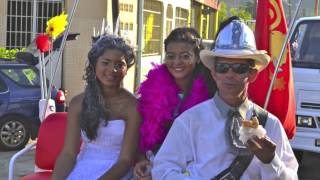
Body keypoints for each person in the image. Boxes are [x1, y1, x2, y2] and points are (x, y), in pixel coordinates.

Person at [151, 19, 298, 179]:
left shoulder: (270, 124)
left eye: (239, 68)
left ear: (252, 74)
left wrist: (271, 161)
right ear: (213, 72)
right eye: (222, 67)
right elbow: (162, 169)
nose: (229, 75)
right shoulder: (190, 121)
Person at [52, 34, 141, 180]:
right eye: (106, 63)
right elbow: (68, 153)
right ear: (94, 65)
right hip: (83, 167)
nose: (112, 70)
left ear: (127, 68)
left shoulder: (133, 106)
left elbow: (125, 160)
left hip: (117, 172)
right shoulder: (77, 103)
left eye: (119, 65)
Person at [133, 27, 216, 180]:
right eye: (171, 56)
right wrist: (142, 161)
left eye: (185, 56)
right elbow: (142, 135)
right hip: (155, 163)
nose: (177, 62)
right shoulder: (152, 88)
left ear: (198, 58)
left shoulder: (212, 91)